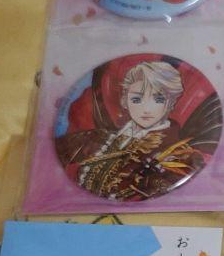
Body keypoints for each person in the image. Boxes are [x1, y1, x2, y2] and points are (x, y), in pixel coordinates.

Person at [56, 59, 214, 202]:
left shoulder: (178, 155)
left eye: (158, 99)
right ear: (125, 101)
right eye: (136, 99)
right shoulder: (101, 138)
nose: (146, 108)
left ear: (170, 103)